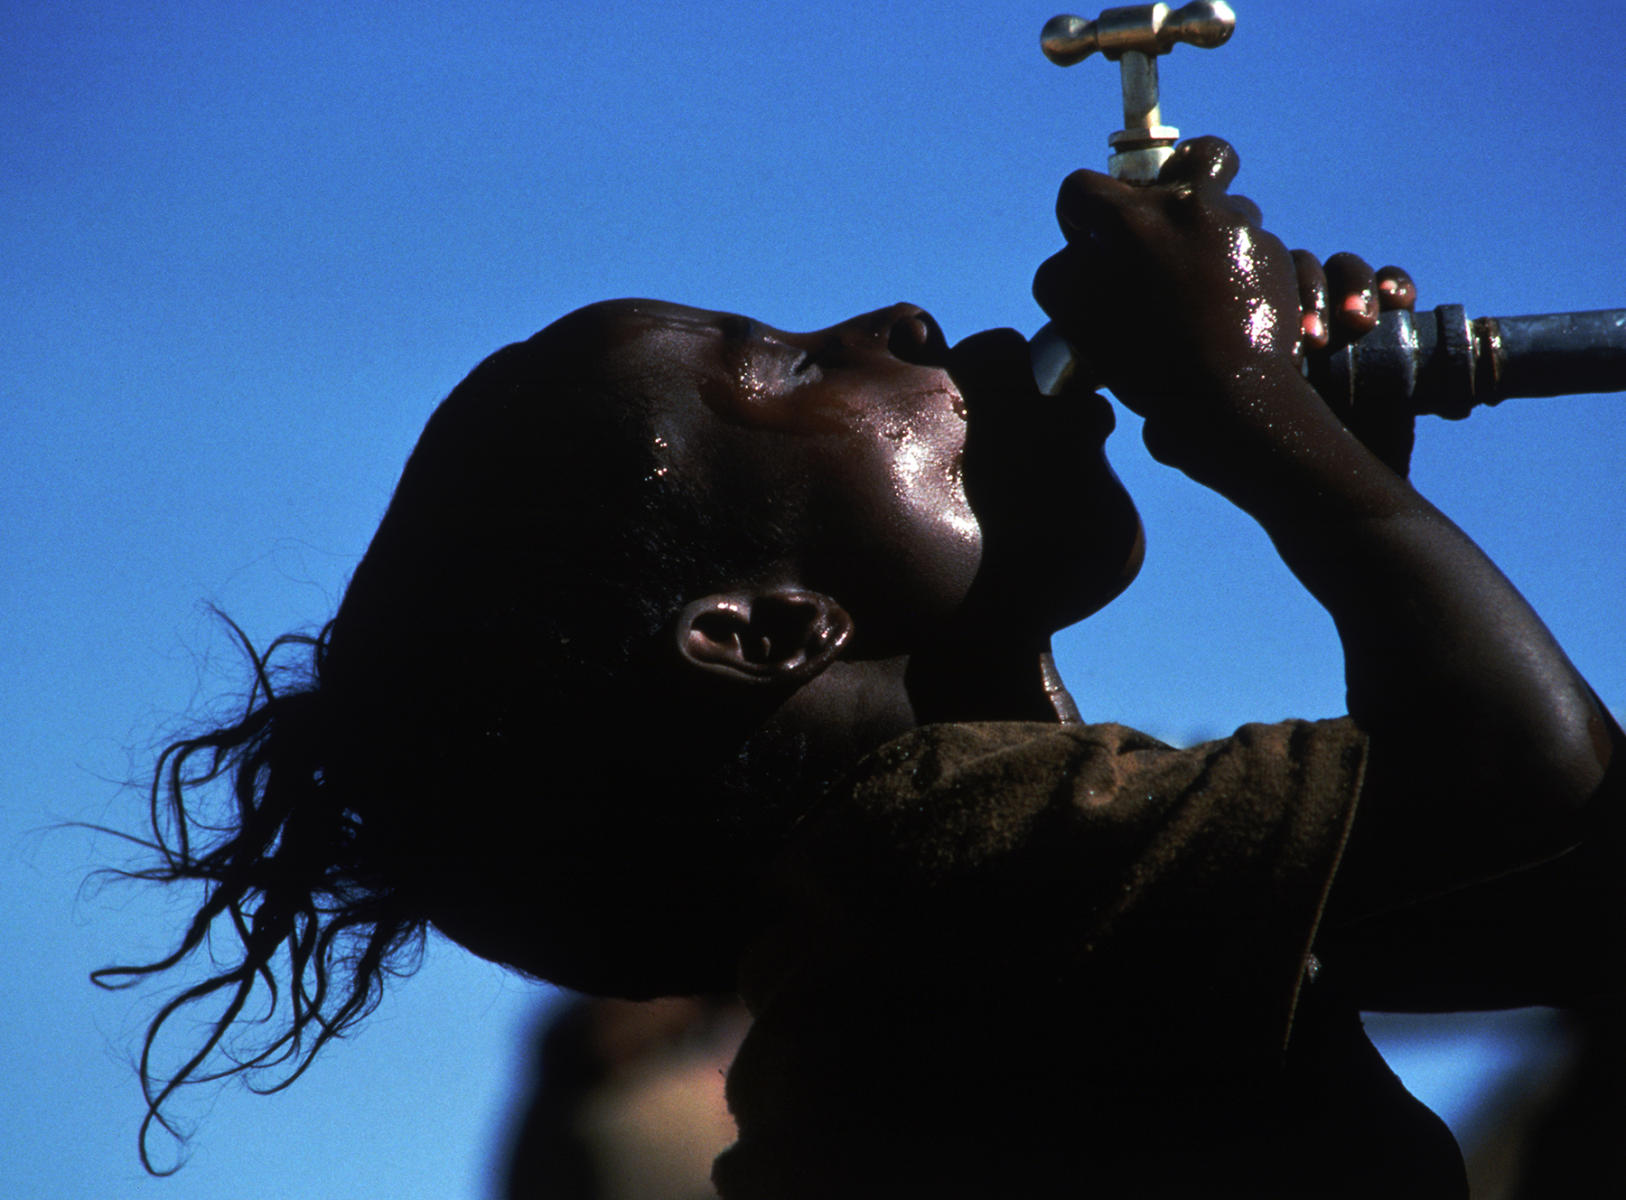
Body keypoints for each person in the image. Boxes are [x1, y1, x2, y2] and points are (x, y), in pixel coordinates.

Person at [101, 138, 1621, 1196]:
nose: (896, 318)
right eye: (793, 371)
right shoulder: (940, 863)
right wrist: (1247, 416)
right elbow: (1529, 778)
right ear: (769, 632)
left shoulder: (916, 914)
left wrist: (1329, 456)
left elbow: (1553, 917)